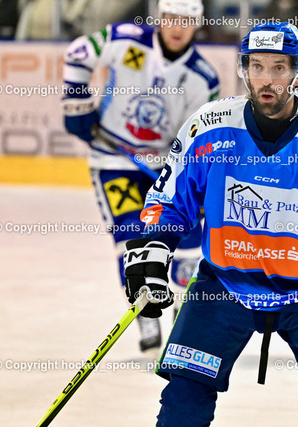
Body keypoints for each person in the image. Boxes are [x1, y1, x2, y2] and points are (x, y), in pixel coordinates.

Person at [122, 22, 298, 426]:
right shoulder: (210, 127)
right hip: (224, 285)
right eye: (257, 66)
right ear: (244, 69)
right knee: (182, 402)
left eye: (278, 68)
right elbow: (170, 199)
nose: (266, 79)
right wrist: (154, 246)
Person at [62, 0, 219, 355]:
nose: (178, 27)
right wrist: (75, 101)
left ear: (198, 24)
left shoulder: (203, 78)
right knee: (131, 236)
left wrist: (194, 182)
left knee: (188, 242)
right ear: (160, 18)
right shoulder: (126, 40)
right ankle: (145, 313)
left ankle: (182, 310)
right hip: (113, 160)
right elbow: (77, 53)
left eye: (187, 20)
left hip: (166, 169)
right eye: (171, 18)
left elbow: (197, 139)